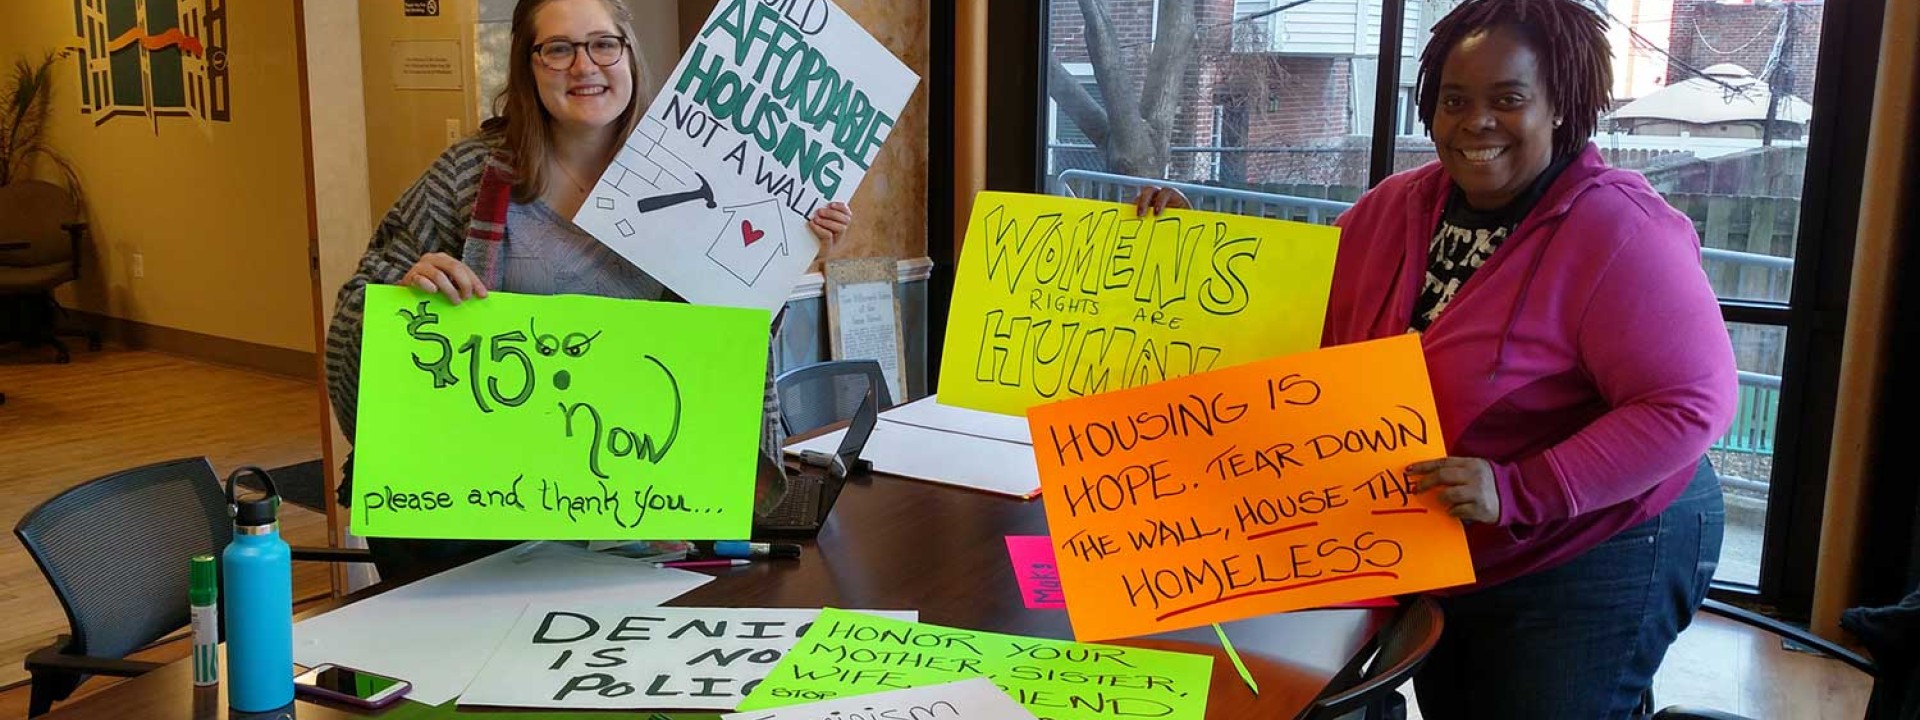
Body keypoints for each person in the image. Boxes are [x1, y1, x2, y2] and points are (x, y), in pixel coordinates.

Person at [1133, 0, 1736, 716]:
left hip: (1597, 542)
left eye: (1509, 99)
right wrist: (1188, 259)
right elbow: (1301, 316)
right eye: (1455, 100)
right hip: (1440, 539)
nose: (1476, 122)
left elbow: (1690, 403)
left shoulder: (1619, 231)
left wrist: (1522, 489)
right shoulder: (1397, 206)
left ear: (1562, 107)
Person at [323, 0, 853, 579]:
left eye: (604, 44)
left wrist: (785, 253)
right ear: (527, 66)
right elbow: (358, 313)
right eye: (558, 49)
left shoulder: (701, 175)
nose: (585, 66)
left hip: (640, 511)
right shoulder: (468, 177)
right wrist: (407, 291)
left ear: (629, 55)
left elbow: (731, 338)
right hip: (482, 522)